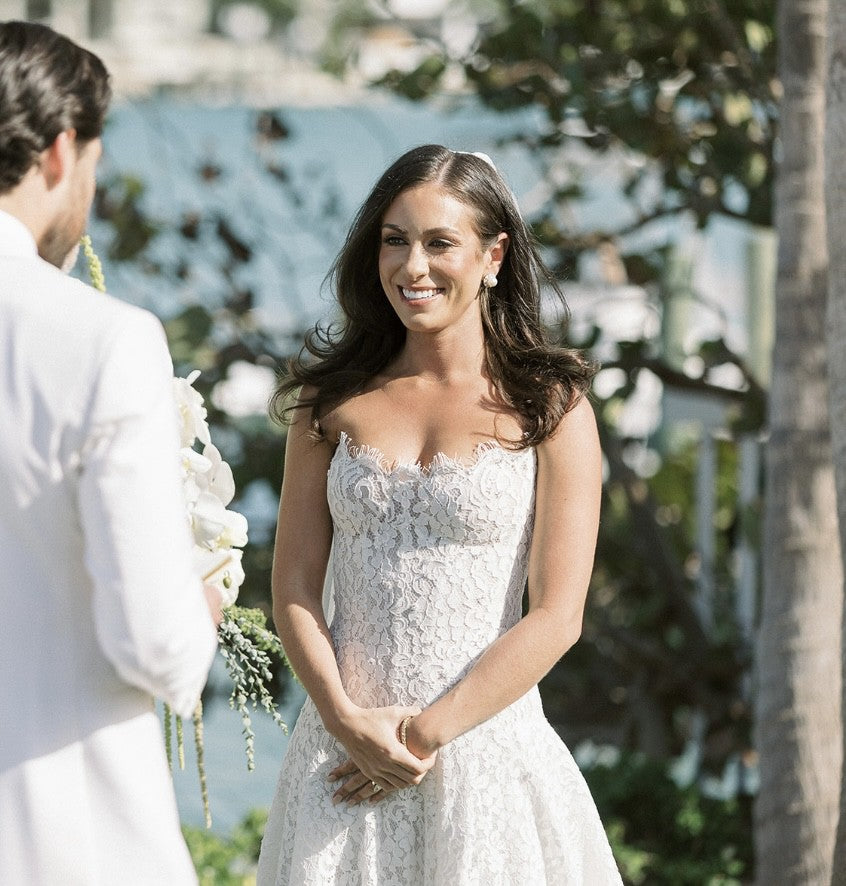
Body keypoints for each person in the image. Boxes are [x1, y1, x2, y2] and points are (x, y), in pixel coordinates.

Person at [257, 144, 622, 885]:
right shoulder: (326, 402)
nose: (411, 267)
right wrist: (343, 722)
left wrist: (422, 738)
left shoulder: (551, 407)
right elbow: (293, 585)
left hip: (486, 757)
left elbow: (557, 616)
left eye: (438, 243)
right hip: (341, 759)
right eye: (394, 240)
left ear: (494, 255)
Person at [0, 21, 219, 885]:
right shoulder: (105, 341)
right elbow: (153, 643)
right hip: (60, 829)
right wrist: (199, 602)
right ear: (61, 153)